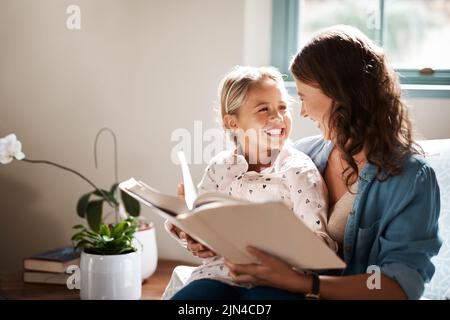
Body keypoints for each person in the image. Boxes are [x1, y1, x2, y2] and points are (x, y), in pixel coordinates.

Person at [170, 25, 442, 300]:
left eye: (301, 98)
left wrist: (305, 283)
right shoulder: (305, 152)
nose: (301, 112)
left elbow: (399, 287)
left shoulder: (410, 179)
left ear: (340, 95)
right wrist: (202, 234)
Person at [166, 65, 336, 300]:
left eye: (282, 107)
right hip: (221, 274)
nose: (278, 117)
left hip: (278, 281)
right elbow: (205, 231)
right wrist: (193, 238)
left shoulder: (298, 170)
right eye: (263, 109)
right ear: (233, 123)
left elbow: (320, 244)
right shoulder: (219, 167)